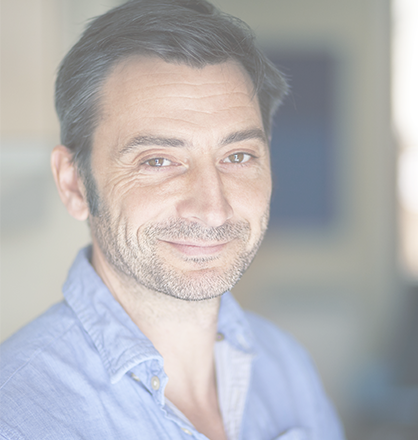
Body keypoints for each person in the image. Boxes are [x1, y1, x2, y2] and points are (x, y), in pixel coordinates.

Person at [0, 1, 345, 439]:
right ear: (74, 184)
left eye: (238, 156)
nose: (212, 208)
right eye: (158, 160)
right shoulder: (17, 414)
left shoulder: (286, 365)